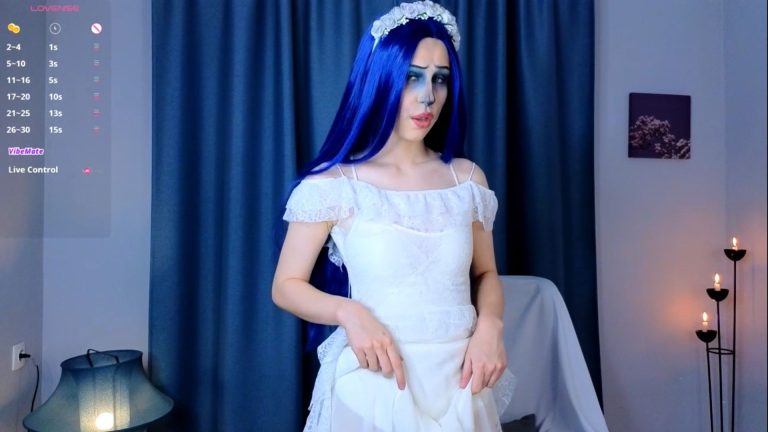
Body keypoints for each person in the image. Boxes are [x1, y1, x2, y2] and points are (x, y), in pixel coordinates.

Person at [272, 1, 515, 430]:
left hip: (461, 384)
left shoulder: (466, 180)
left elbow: (486, 274)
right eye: (411, 77)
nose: (428, 96)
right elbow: (286, 286)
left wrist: (491, 327)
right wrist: (349, 313)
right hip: (374, 384)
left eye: (440, 79)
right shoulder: (334, 184)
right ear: (381, 78)